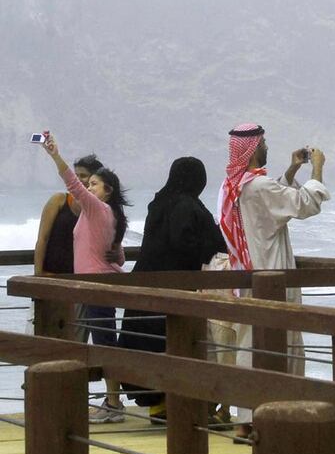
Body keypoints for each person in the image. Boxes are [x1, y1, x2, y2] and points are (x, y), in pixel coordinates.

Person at [218, 123, 329, 440]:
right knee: (281, 345)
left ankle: (247, 420)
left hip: (246, 276)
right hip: (271, 274)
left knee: (249, 347)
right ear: (253, 149)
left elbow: (274, 201)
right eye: (263, 142)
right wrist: (317, 168)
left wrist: (292, 169)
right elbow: (304, 204)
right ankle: (283, 417)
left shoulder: (235, 185)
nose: (266, 145)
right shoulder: (257, 187)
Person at [118, 157, 227, 421]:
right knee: (176, 344)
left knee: (147, 345)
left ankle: (160, 406)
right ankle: (178, 408)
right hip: (174, 288)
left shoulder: (159, 204)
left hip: (147, 285)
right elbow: (186, 242)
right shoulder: (186, 205)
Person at [40, 133, 129, 424]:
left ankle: (114, 404)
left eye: (93, 184)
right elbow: (119, 258)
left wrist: (55, 155)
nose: (88, 187)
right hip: (99, 285)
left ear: (108, 190)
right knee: (105, 342)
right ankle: (112, 400)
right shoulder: (109, 214)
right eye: (88, 184)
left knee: (104, 345)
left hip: (95, 287)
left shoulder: (97, 208)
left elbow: (72, 184)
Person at [31, 154, 105, 339]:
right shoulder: (59, 200)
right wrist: (38, 275)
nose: (79, 179)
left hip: (80, 282)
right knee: (47, 333)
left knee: (77, 336)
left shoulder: (97, 209)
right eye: (76, 174)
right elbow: (43, 239)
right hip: (52, 277)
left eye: (84, 175)